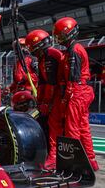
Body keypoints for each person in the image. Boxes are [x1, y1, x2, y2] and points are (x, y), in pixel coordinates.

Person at [53, 17, 98, 171]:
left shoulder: (75, 50)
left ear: (68, 33)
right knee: (83, 127)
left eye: (60, 35)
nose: (58, 38)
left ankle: (74, 165)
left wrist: (66, 98)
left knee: (73, 128)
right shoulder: (73, 49)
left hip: (77, 92)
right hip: (81, 91)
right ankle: (91, 161)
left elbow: (73, 78)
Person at [25, 29, 64, 170]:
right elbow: (42, 82)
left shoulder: (52, 56)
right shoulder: (42, 57)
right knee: (43, 122)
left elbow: (53, 83)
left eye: (31, 47)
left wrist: (47, 103)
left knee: (55, 126)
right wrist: (40, 101)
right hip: (51, 95)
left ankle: (54, 157)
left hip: (59, 96)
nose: (31, 51)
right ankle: (47, 151)